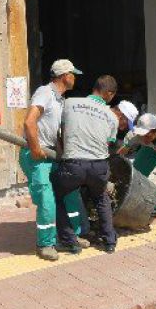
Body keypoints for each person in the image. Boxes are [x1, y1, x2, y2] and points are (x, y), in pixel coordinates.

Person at [20, 59, 87, 261]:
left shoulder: (60, 100)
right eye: (72, 74)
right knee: (47, 200)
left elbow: (55, 132)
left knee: (70, 194)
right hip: (36, 156)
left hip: (50, 154)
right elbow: (29, 121)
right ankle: (46, 243)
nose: (74, 78)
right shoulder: (45, 93)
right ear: (64, 76)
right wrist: (34, 148)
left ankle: (70, 236)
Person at [52, 75, 122, 253]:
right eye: (112, 96)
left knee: (59, 197)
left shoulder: (69, 103)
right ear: (109, 93)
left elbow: (59, 131)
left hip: (73, 164)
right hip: (98, 166)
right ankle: (109, 242)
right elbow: (109, 142)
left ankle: (69, 240)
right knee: (101, 199)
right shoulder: (112, 117)